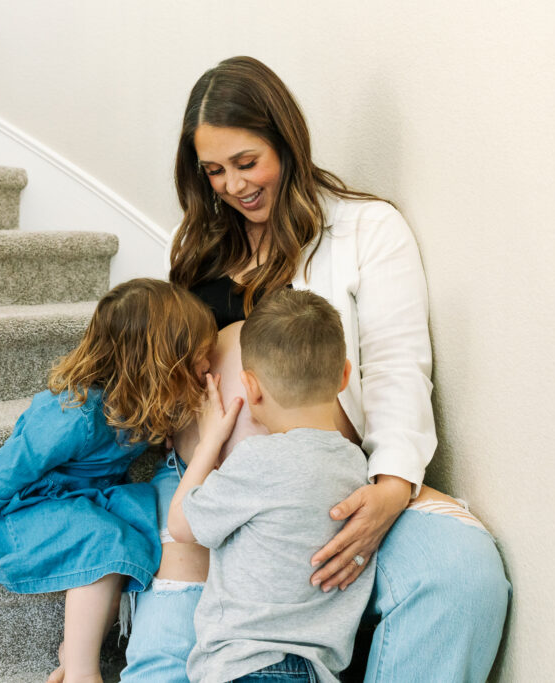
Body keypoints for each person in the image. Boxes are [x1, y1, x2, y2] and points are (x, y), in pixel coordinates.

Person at [120, 56, 510, 682]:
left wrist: (390, 486)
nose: (233, 186)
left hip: (330, 487)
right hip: (208, 488)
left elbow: (394, 367)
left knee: (461, 575)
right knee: (169, 661)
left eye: (248, 163)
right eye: (214, 171)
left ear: (288, 141)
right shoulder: (190, 245)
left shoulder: (366, 230)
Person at [0, 278, 217, 683]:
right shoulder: (74, 415)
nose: (208, 366)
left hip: (84, 501)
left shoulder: (142, 405)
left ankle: (75, 652)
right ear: (158, 366)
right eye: (199, 358)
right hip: (25, 510)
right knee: (105, 539)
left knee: (137, 529)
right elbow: (5, 473)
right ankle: (82, 675)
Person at [168, 288, 374, 683]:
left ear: (250, 387)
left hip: (246, 666)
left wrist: (210, 439)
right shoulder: (357, 466)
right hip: (319, 671)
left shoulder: (256, 460)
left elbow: (181, 525)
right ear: (345, 375)